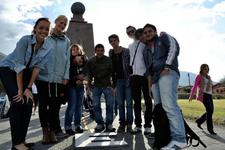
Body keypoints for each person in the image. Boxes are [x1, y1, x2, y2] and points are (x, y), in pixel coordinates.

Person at [0, 17, 51, 150]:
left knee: (28, 104)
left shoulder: (48, 47)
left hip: (26, 72)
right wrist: (20, 90)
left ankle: (21, 141)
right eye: (41, 27)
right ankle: (17, 144)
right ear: (35, 28)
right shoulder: (25, 40)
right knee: (18, 101)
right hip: (9, 69)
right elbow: (19, 66)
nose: (43, 31)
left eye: (47, 29)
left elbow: (37, 69)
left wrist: (28, 88)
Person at [143, 23, 187, 149]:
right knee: (160, 110)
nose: (147, 34)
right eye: (145, 32)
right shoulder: (146, 50)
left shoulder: (163, 37)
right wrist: (150, 86)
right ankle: (166, 138)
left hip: (167, 72)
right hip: (156, 78)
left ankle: (180, 139)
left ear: (155, 31)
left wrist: (167, 66)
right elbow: (149, 70)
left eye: (150, 31)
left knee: (169, 105)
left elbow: (174, 47)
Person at [36, 15, 70, 144]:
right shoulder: (45, 37)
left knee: (55, 106)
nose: (62, 25)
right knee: (43, 105)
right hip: (43, 77)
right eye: (61, 23)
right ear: (55, 22)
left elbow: (67, 61)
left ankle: (52, 131)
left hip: (58, 78)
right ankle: (45, 131)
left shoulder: (66, 40)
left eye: (65, 24)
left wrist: (66, 76)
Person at [127, 28, 153, 135]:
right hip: (134, 76)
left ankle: (146, 126)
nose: (143, 37)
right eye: (141, 35)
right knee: (138, 102)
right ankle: (139, 125)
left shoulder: (147, 46)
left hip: (145, 76)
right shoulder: (131, 46)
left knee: (146, 101)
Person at [85, 44, 115, 132]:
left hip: (107, 86)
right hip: (96, 86)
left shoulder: (108, 60)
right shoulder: (91, 61)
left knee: (109, 105)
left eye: (101, 50)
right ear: (95, 51)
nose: (100, 52)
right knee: (96, 105)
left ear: (104, 51)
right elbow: (88, 74)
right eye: (98, 50)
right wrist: (88, 87)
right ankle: (99, 124)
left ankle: (109, 124)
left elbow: (113, 73)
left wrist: (113, 86)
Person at [108, 34, 133, 133]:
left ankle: (130, 123)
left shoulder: (126, 51)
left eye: (115, 40)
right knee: (120, 104)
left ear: (118, 40)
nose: (113, 42)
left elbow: (131, 64)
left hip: (127, 79)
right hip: (117, 81)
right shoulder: (111, 53)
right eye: (111, 41)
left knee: (129, 103)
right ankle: (122, 123)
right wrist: (112, 83)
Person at [64, 44, 87, 135]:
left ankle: (78, 125)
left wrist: (83, 79)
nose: (75, 51)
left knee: (79, 106)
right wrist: (76, 78)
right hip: (71, 86)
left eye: (76, 49)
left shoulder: (85, 59)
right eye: (73, 49)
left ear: (80, 50)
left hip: (81, 86)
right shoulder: (68, 60)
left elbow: (87, 72)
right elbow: (67, 74)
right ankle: (68, 126)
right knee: (72, 106)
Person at [189, 64, 216, 135]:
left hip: (209, 95)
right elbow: (195, 86)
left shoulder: (209, 77)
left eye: (207, 69)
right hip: (203, 95)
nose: (207, 70)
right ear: (202, 69)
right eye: (205, 69)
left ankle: (199, 121)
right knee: (209, 110)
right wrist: (191, 95)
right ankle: (210, 129)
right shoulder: (199, 76)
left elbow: (210, 86)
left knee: (211, 111)